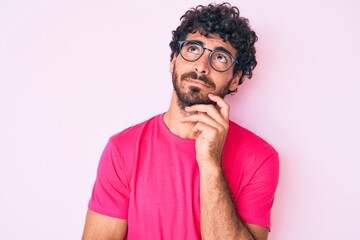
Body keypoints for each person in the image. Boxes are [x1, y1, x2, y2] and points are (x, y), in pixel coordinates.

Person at [82, 2, 279, 240]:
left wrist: (210, 165)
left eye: (220, 57)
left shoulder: (259, 158)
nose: (201, 66)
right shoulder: (123, 148)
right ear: (173, 60)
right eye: (193, 49)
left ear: (235, 78)